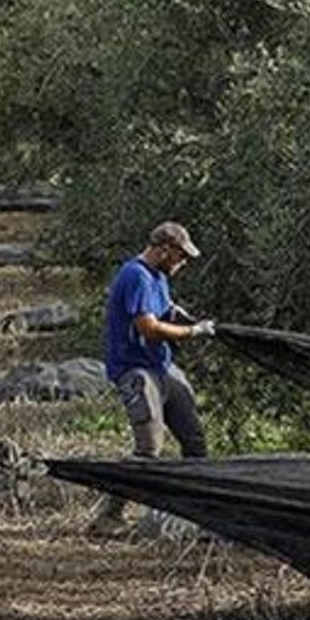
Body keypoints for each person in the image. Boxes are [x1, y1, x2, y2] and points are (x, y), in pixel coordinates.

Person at [90, 221, 216, 534]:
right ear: (163, 250)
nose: (183, 263)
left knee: (194, 441)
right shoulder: (136, 275)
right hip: (136, 371)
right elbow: (148, 327)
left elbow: (162, 311)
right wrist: (191, 332)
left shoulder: (158, 276)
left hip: (162, 367)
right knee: (148, 449)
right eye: (180, 256)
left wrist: (179, 315)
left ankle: (196, 511)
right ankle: (108, 515)